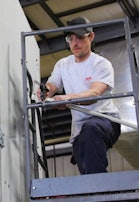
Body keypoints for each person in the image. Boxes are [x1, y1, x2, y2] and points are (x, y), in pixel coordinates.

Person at [39, 17, 121, 174]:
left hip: (105, 120)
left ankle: (100, 189)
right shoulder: (63, 65)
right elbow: (52, 85)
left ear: (91, 37)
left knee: (91, 130)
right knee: (82, 155)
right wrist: (45, 91)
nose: (74, 43)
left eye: (80, 38)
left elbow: (94, 93)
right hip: (79, 129)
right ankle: (95, 190)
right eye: (70, 39)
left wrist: (68, 98)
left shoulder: (101, 64)